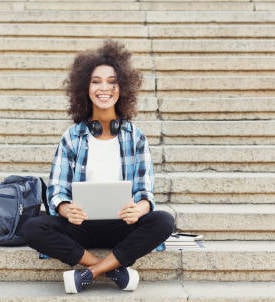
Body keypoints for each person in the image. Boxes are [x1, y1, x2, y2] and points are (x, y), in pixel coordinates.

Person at [21, 40, 175, 294]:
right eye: (96, 81)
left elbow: (146, 192)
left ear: (122, 88)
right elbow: (56, 189)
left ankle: (89, 274)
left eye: (112, 81)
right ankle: (112, 270)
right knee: (32, 227)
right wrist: (65, 208)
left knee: (164, 221)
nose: (104, 88)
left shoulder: (135, 136)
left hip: (122, 226)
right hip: (81, 226)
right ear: (85, 88)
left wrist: (139, 209)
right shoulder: (72, 136)